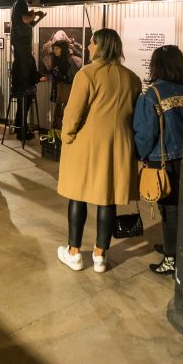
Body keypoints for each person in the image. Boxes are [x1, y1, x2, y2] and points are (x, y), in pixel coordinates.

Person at [56, 29, 141, 273]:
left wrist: (66, 136)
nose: (88, 47)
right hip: (119, 147)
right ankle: (100, 256)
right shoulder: (132, 78)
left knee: (78, 194)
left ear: (99, 46)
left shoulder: (87, 74)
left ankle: (74, 252)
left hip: (87, 145)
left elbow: (73, 113)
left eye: (92, 43)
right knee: (108, 198)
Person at [133, 45, 183, 276]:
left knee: (169, 210)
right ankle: (178, 248)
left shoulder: (152, 95)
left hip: (163, 160)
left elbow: (145, 134)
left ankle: (171, 258)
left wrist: (140, 156)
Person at [11, 0, 46, 140]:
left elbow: (29, 24)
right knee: (26, 69)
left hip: (21, 43)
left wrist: (38, 17)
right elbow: (26, 20)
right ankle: (25, 86)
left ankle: (20, 127)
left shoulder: (19, 4)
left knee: (26, 65)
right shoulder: (21, 3)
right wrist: (34, 13)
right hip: (21, 43)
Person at [49, 39, 76, 130]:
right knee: (58, 113)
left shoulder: (69, 61)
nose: (54, 50)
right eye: (54, 48)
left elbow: (71, 78)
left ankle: (59, 133)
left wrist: (58, 74)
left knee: (61, 113)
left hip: (66, 90)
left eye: (57, 48)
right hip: (60, 89)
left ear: (63, 49)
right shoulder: (57, 60)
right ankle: (56, 133)